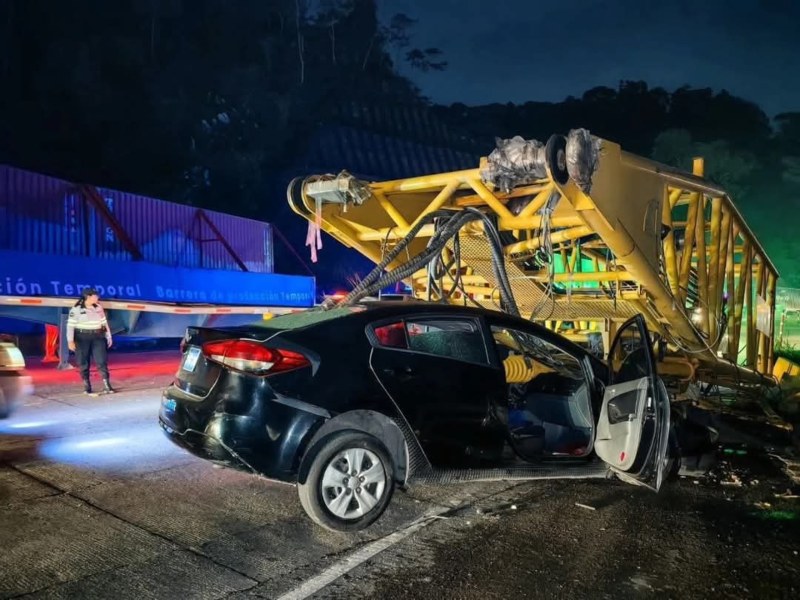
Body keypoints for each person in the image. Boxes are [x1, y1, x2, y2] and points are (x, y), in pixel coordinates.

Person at [67, 288, 114, 394]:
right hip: (82, 338)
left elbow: (104, 323)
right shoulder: (76, 309)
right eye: (95, 296)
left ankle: (107, 384)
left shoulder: (98, 307)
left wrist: (108, 336)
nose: (98, 297)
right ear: (88, 297)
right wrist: (70, 341)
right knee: (83, 362)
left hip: (98, 336)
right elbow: (70, 326)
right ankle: (87, 385)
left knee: (101, 361)